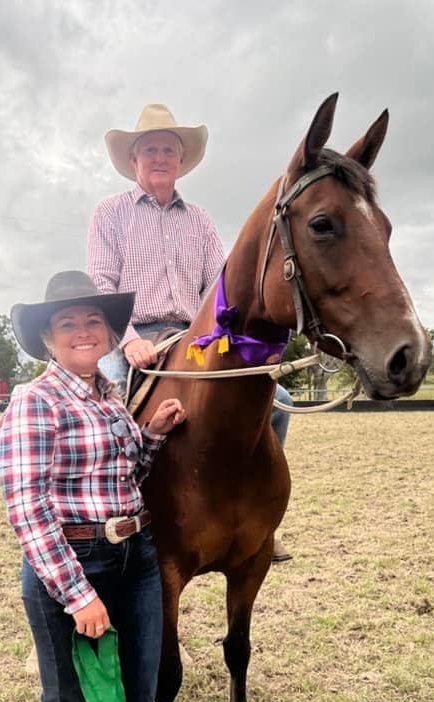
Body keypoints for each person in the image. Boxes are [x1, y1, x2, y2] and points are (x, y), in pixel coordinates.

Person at [0, 271, 186, 702]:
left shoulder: (109, 397)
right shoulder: (36, 401)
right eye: (68, 322)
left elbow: (127, 473)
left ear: (108, 333)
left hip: (136, 555)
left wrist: (152, 435)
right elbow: (28, 508)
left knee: (136, 691)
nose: (83, 331)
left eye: (93, 321)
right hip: (72, 562)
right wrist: (77, 595)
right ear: (48, 337)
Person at [87, 103, 293, 561]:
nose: (160, 158)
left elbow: (218, 287)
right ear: (134, 160)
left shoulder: (200, 220)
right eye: (151, 150)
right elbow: (102, 285)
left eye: (169, 150)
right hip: (131, 335)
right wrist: (130, 340)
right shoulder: (110, 214)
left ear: (180, 161)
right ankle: (121, 518)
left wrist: (227, 336)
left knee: (277, 401)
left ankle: (261, 516)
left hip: (192, 336)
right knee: (108, 412)